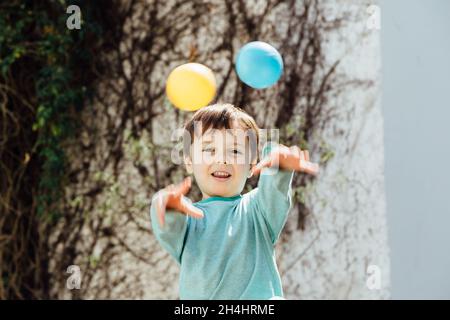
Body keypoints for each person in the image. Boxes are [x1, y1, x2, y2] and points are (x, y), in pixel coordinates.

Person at [150, 103, 319, 299]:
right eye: (209, 149)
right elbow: (168, 224)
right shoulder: (188, 221)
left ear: (251, 165)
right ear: (189, 161)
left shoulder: (258, 211)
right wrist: (168, 206)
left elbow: (273, 188)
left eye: (236, 152)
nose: (222, 159)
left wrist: (279, 165)